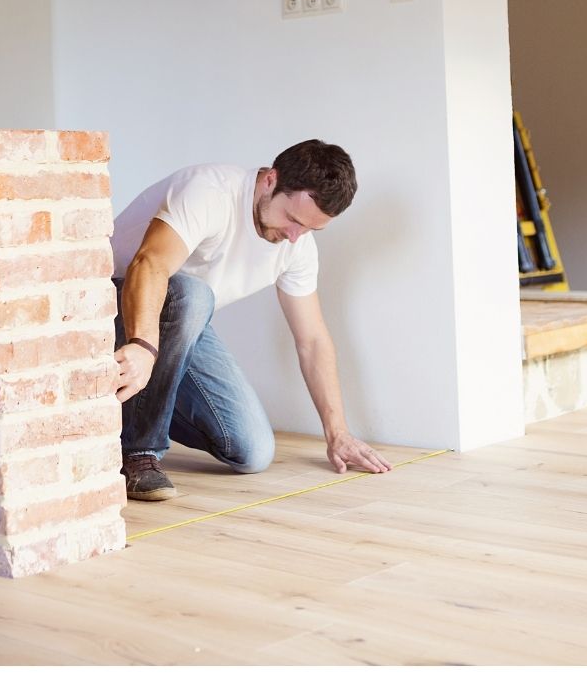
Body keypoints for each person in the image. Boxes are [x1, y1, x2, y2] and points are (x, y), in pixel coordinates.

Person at [110, 138, 392, 501]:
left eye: (310, 229)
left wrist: (337, 433)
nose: (294, 236)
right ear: (271, 180)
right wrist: (143, 346)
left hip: (177, 327)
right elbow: (149, 264)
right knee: (194, 295)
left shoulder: (297, 246)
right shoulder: (210, 191)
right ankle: (138, 453)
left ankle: (121, 410)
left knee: (252, 450)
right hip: (111, 306)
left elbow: (312, 340)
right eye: (292, 219)